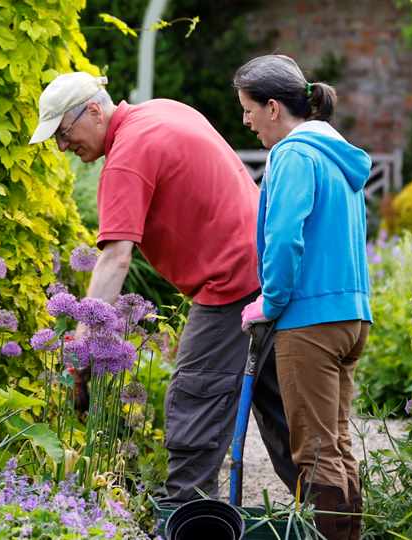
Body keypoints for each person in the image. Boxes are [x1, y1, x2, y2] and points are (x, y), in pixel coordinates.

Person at [28, 72, 298, 503]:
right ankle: (338, 519)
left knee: (195, 401)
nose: (62, 146)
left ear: (94, 111)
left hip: (230, 285)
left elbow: (116, 257)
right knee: (283, 413)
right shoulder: (164, 110)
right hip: (268, 274)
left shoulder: (126, 156)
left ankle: (185, 518)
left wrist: (81, 347)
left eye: (63, 132)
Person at [234, 55, 372, 540]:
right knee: (334, 443)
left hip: (309, 321)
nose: (246, 121)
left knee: (314, 451)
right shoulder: (338, 157)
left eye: (249, 109)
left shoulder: (293, 154)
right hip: (350, 315)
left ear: (274, 107)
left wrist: (270, 302)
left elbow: (285, 236)